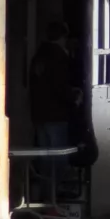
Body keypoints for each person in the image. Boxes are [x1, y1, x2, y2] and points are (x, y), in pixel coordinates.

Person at [29, 21, 81, 201]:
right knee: (59, 159)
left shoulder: (39, 56)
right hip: (56, 114)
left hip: (40, 115)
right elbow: (59, 86)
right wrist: (74, 98)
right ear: (62, 37)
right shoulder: (58, 57)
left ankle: (45, 196)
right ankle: (52, 197)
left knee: (44, 158)